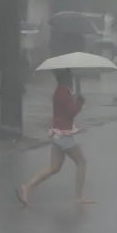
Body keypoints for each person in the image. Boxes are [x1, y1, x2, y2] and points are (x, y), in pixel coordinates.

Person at [17, 68, 90, 206]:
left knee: (54, 167)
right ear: (66, 78)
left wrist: (78, 88)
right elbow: (70, 112)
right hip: (64, 135)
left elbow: (67, 106)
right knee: (82, 162)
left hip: (57, 133)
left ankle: (27, 187)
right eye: (71, 77)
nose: (72, 80)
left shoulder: (60, 91)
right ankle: (79, 197)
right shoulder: (63, 92)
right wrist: (80, 103)